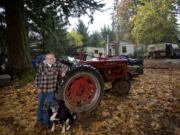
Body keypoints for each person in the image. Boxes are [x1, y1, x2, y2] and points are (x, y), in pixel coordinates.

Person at [34, 52, 68, 128]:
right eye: (48, 58)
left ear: (54, 59)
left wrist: (63, 72)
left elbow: (65, 67)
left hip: (51, 91)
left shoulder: (56, 64)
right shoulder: (41, 66)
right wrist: (37, 87)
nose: (50, 60)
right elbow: (37, 77)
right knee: (40, 105)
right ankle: (39, 120)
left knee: (48, 106)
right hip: (42, 90)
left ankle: (47, 122)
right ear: (45, 59)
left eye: (52, 58)